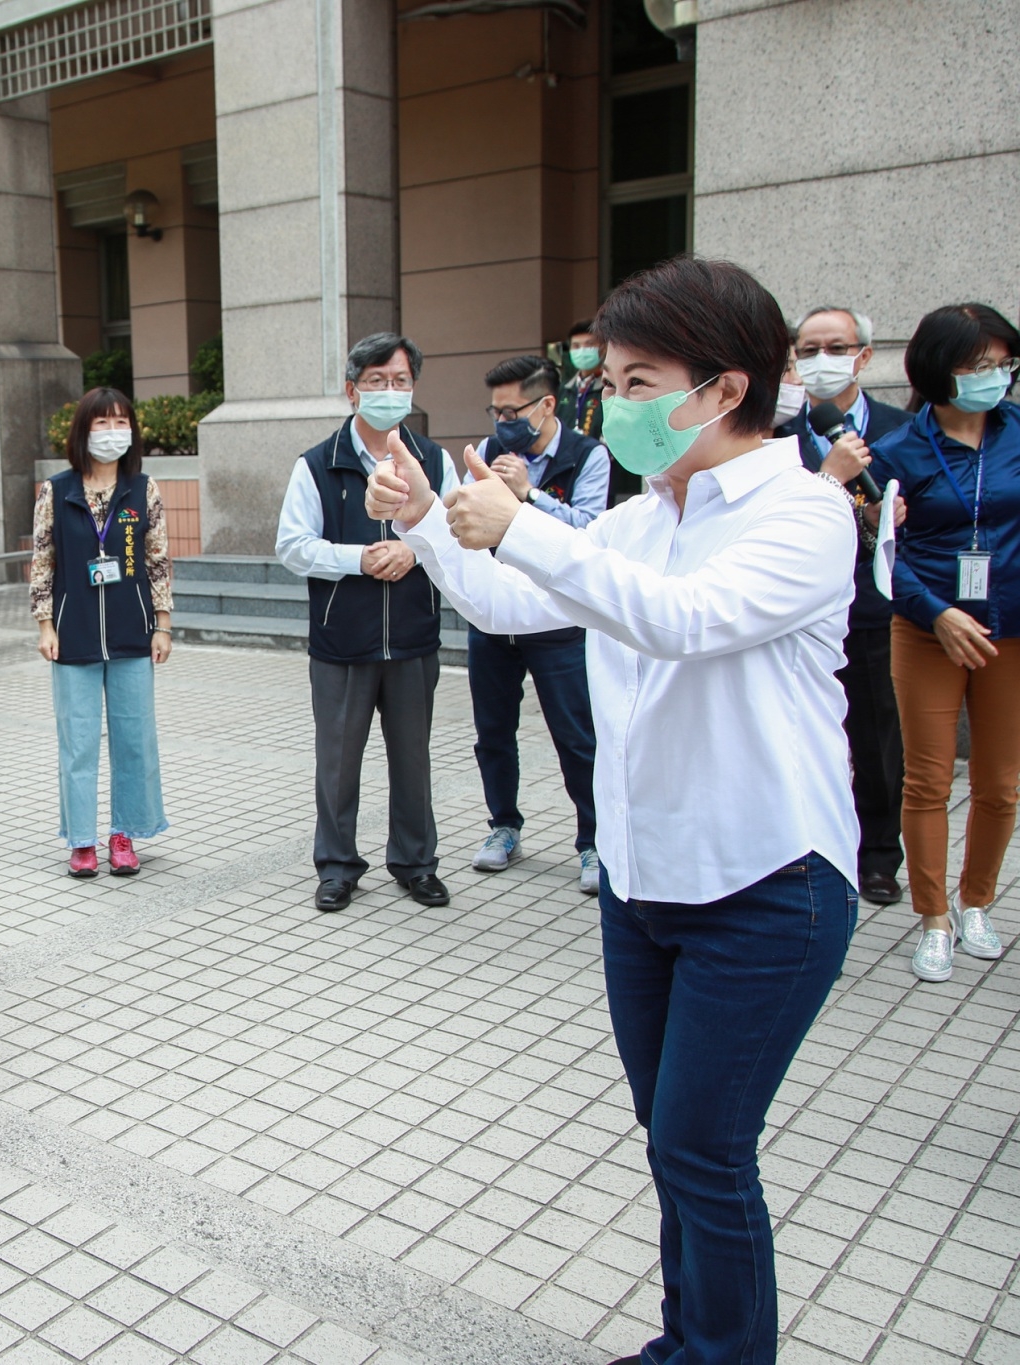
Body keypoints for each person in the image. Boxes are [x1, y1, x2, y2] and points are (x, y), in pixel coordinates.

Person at [369, 255, 859, 1365]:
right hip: (643, 887)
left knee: (704, 1149)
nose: (616, 406)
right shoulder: (642, 521)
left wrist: (522, 523)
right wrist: (435, 520)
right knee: (670, 1141)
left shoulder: (803, 512)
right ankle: (687, 1340)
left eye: (640, 384)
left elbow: (682, 620)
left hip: (765, 884)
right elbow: (511, 606)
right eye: (610, 382)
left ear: (724, 389)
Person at [274, 331, 457, 914]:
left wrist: (414, 551)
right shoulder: (317, 464)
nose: (389, 391)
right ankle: (337, 867)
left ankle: (416, 864)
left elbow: (456, 534)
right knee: (337, 762)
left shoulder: (435, 461)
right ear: (352, 390)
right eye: (377, 381)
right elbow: (292, 545)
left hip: (412, 638)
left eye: (400, 381)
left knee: (414, 759)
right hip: (342, 641)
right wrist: (358, 558)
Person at [868, 303, 1020, 984]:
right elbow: (884, 552)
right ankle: (933, 918)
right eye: (979, 365)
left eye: (1003, 364)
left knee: (1001, 783)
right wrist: (938, 614)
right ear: (938, 369)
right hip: (928, 628)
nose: (995, 377)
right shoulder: (898, 450)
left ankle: (976, 902)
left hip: (1010, 629)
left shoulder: (1018, 433)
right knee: (928, 780)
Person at [460, 355, 606, 893]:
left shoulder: (587, 455)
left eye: (511, 412)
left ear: (546, 405)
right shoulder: (488, 453)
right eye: (495, 412)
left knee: (576, 735)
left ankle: (594, 842)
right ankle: (503, 826)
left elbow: (590, 531)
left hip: (558, 621)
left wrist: (529, 496)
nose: (502, 423)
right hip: (496, 618)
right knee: (493, 732)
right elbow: (465, 520)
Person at [784, 305, 911, 905]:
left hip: (871, 606)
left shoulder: (900, 429)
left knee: (877, 735)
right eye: (808, 350)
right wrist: (829, 482)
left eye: (835, 348)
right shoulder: (776, 433)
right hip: (795, 610)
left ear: (863, 356)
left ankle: (879, 855)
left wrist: (887, 518)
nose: (821, 361)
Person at [31, 386, 173, 877]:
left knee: (135, 738)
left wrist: (163, 624)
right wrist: (45, 624)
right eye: (102, 423)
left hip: (133, 630)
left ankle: (124, 833)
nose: (113, 432)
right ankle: (82, 840)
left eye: (121, 423)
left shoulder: (142, 490)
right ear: (83, 430)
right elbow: (43, 561)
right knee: (79, 742)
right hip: (74, 633)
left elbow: (157, 561)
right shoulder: (56, 491)